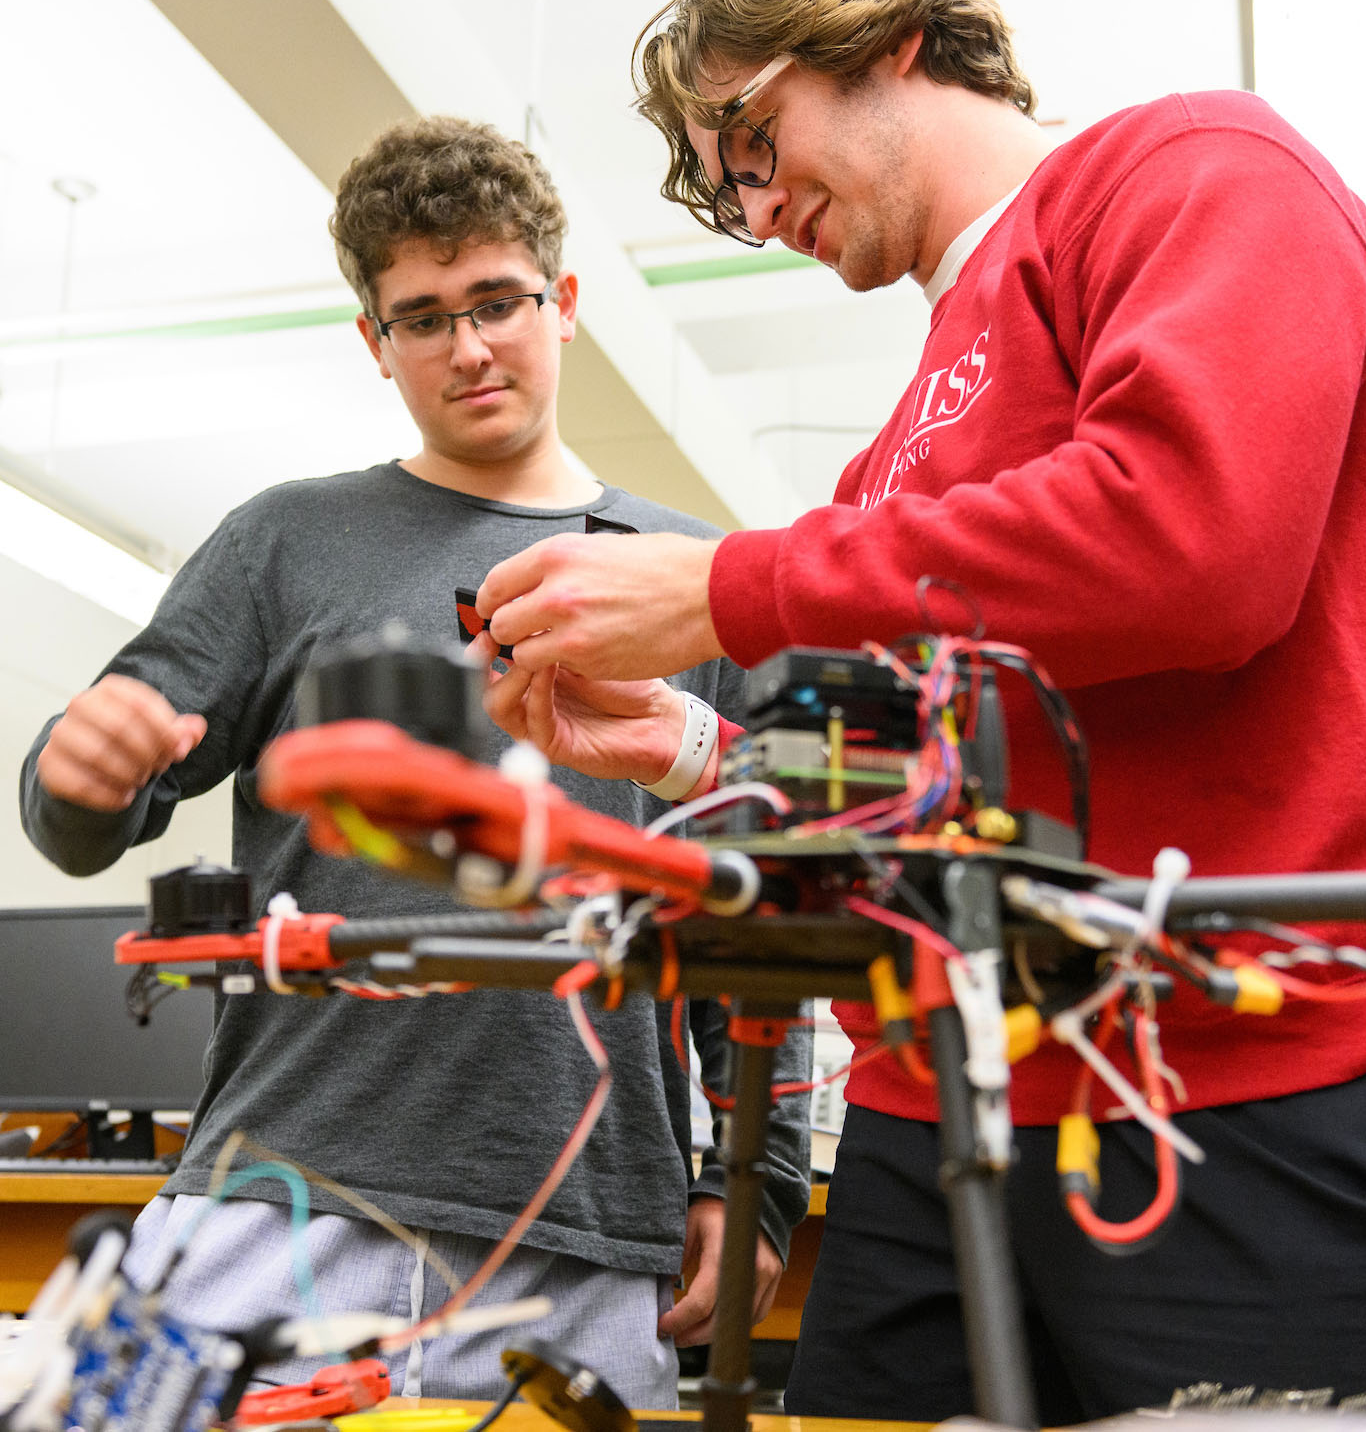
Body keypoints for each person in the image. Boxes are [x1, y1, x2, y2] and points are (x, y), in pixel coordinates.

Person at [473, 0, 1366, 1422]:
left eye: (751, 134)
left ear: (888, 40)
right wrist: (682, 745)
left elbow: (1197, 538)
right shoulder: (894, 447)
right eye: (721, 182)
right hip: (931, 1121)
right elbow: (913, 792)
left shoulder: (1189, 168)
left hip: (1241, 1092)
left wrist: (729, 586)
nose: (752, 199)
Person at [18, 115, 811, 1407]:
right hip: (279, 1200)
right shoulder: (284, 542)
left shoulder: (691, 579)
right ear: (374, 342)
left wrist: (755, 1180)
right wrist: (77, 772)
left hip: (587, 1227)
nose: (470, 344)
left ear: (561, 301)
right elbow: (78, 808)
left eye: (496, 299)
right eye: (423, 315)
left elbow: (764, 911)